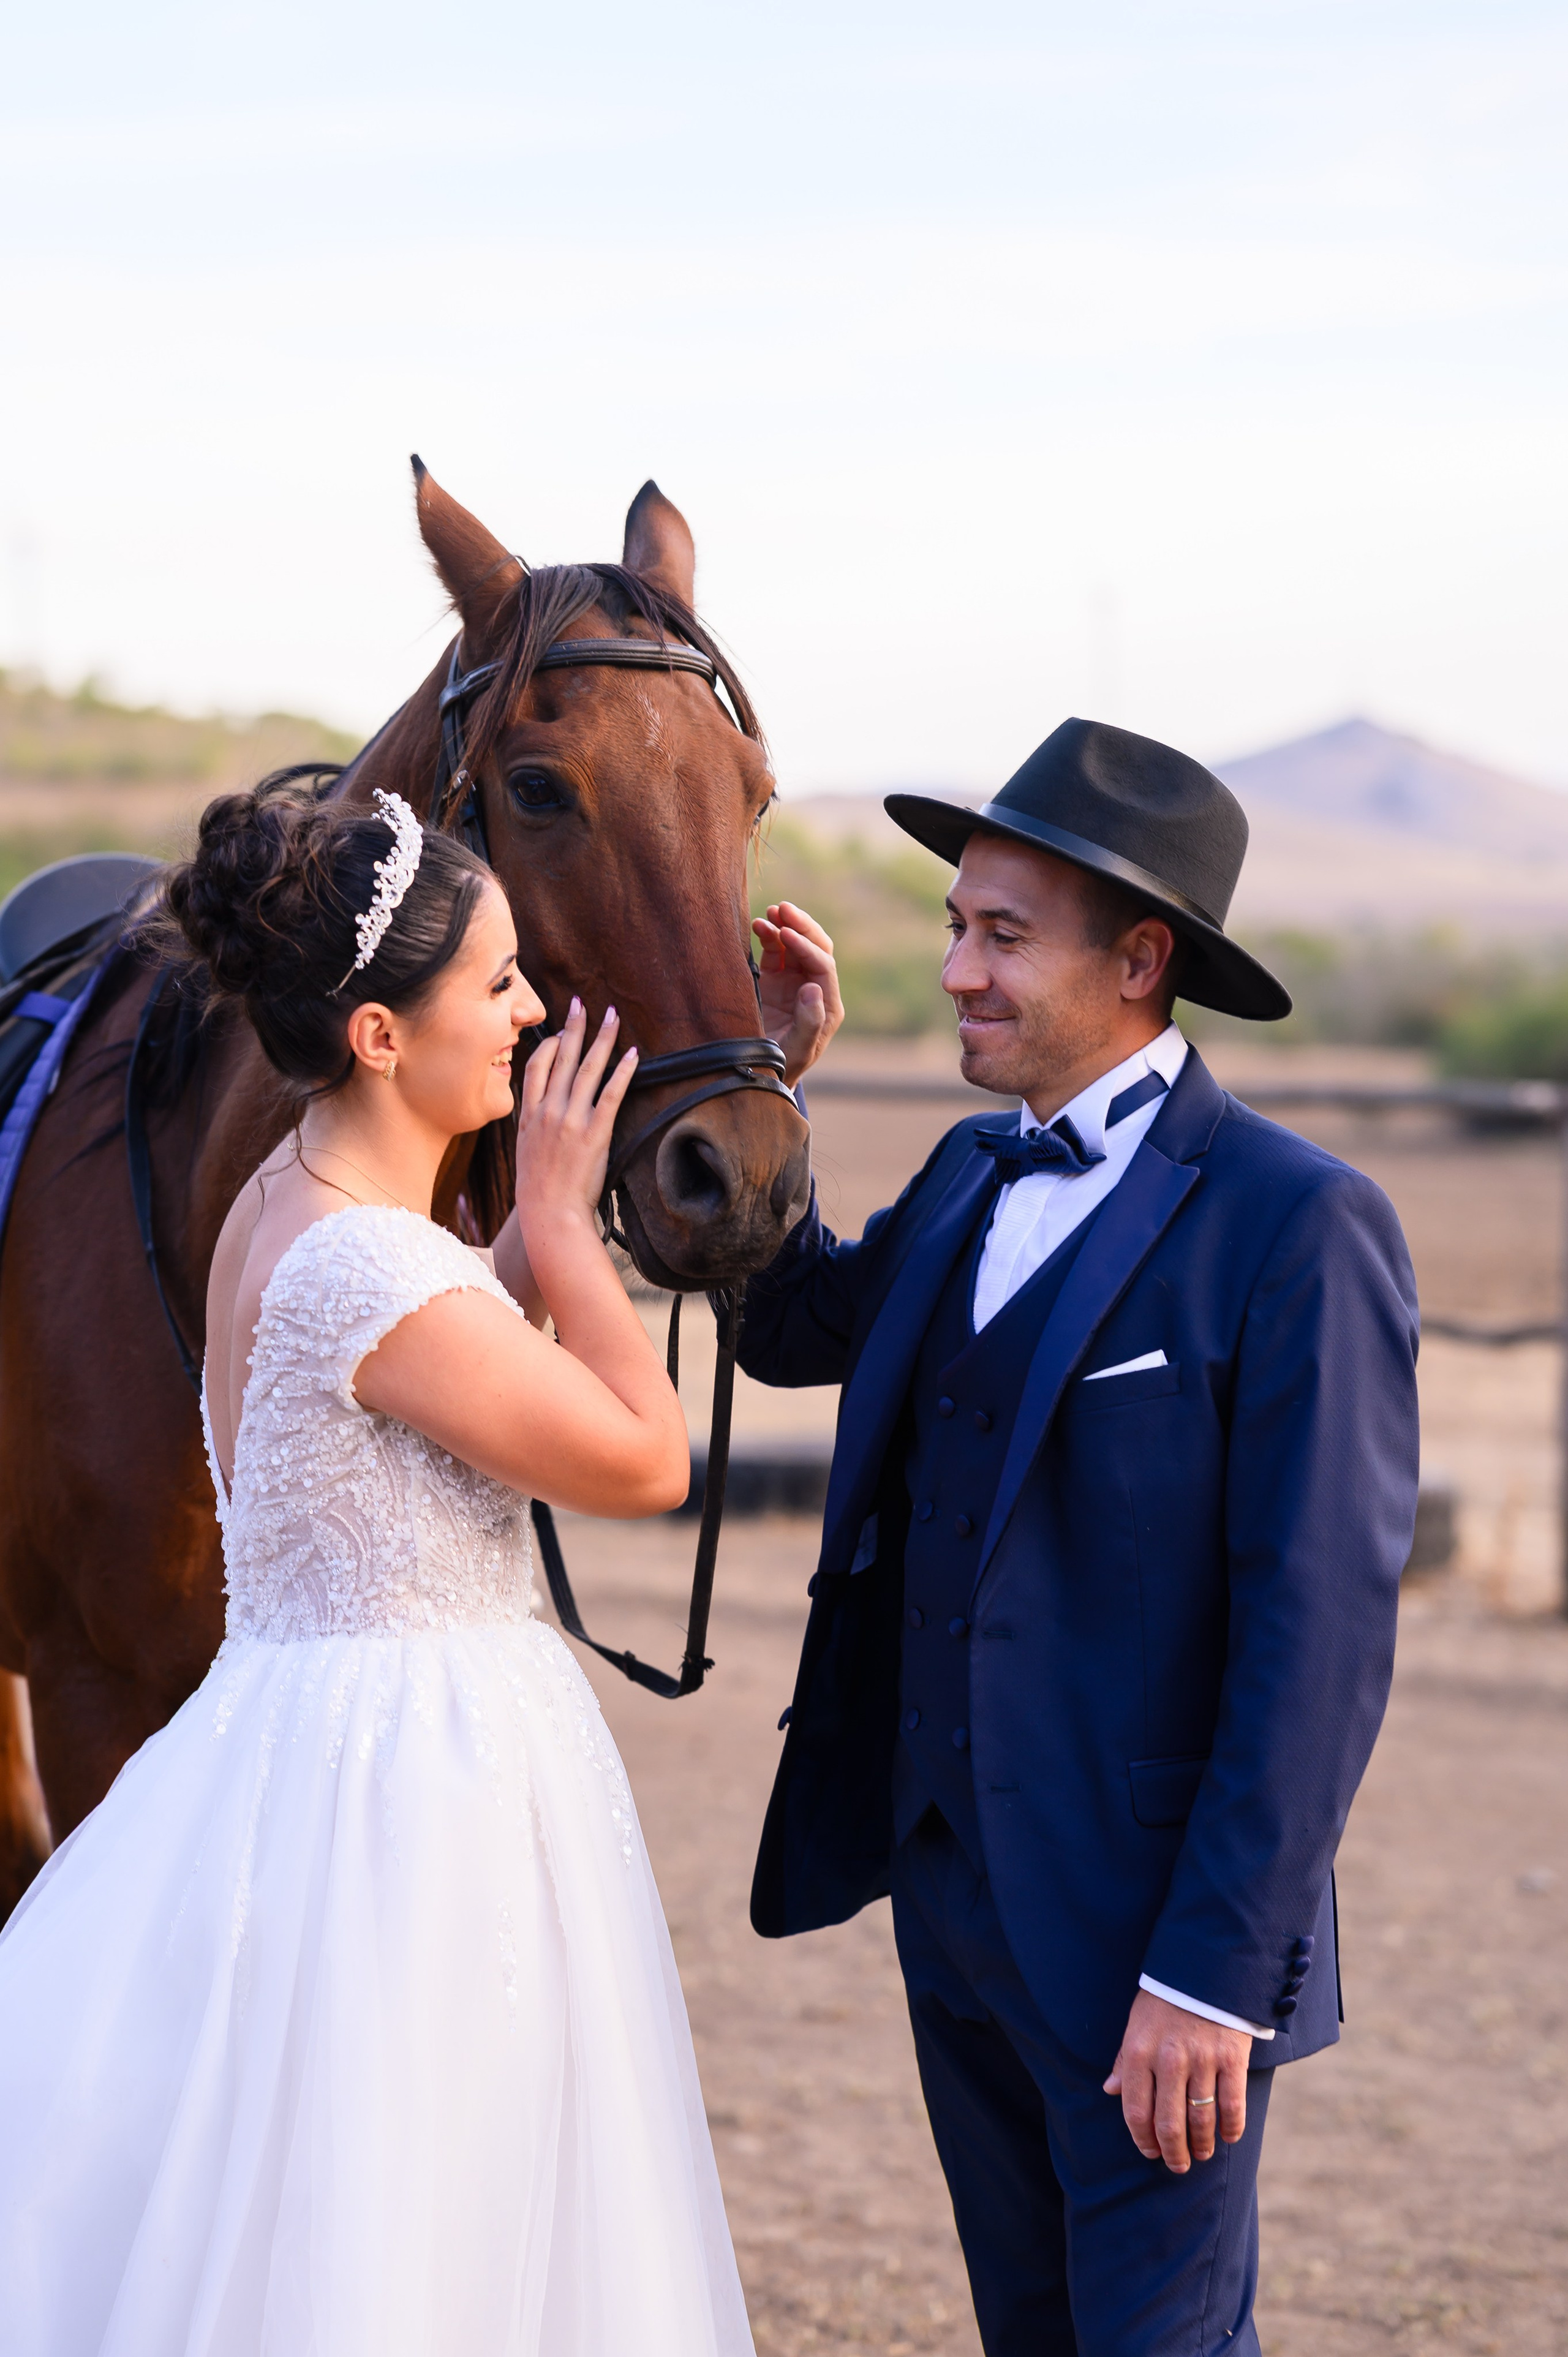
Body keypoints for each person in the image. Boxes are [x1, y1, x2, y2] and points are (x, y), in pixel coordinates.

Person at [0, 779, 758, 2356]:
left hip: (317, 1743)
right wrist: (561, 1222)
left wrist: (570, 1215)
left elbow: (462, 1327)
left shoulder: (296, 1208)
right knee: (413, 2195)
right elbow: (646, 1458)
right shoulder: (362, 1265)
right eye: (499, 980)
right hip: (405, 1790)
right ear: (379, 1037)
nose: (531, 1011)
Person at [737, 719, 1420, 2357]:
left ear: (1138, 960)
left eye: (1002, 935)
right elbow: (786, 1323)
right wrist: (768, 1076)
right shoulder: (969, 1172)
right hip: (947, 1897)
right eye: (956, 925)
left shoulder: (1294, 1222)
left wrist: (1213, 1977)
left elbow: (1317, 1638)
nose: (955, 971)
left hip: (1150, 1938)